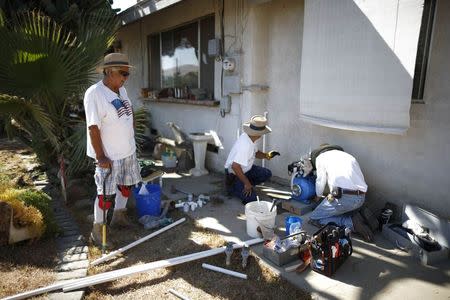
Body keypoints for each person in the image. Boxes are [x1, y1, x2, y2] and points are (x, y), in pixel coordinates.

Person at [84, 53, 141, 246]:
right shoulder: (95, 94)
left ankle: (119, 216)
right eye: (122, 73)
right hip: (108, 156)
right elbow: (93, 127)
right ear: (108, 72)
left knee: (126, 187)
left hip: (128, 151)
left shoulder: (121, 90)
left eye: (127, 74)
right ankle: (98, 229)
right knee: (105, 195)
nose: (125, 78)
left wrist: (130, 134)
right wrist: (100, 156)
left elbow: (129, 111)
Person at [303, 144, 374, 242]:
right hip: (361, 198)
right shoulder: (347, 156)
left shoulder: (321, 157)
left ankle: (352, 223)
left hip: (344, 197)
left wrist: (317, 196)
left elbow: (320, 181)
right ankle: (355, 214)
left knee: (314, 218)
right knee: (334, 209)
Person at [224, 115, 280, 204]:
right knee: (252, 200)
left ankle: (244, 185)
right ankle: (233, 187)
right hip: (234, 174)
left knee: (266, 174)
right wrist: (246, 183)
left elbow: (255, 152)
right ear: (259, 134)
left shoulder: (249, 138)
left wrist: (266, 156)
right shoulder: (245, 145)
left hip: (245, 169)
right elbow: (235, 166)